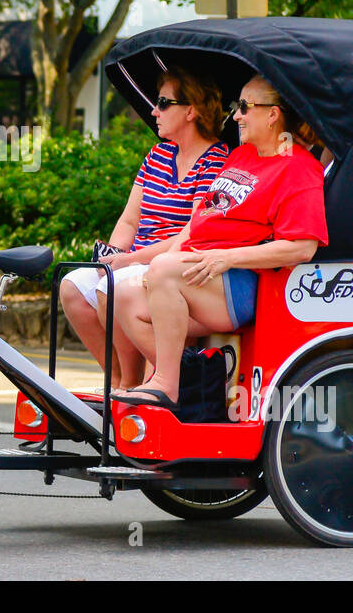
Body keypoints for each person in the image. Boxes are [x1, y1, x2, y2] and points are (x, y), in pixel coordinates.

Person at [111, 74, 329, 408]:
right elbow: (200, 220)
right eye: (235, 106)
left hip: (238, 282)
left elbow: (302, 247)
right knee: (124, 296)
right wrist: (164, 258)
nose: (236, 115)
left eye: (244, 107)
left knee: (163, 273)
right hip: (202, 270)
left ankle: (167, 384)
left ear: (272, 115)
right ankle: (198, 382)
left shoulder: (299, 169)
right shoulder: (242, 155)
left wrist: (227, 258)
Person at [60, 67, 228, 390]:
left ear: (191, 110)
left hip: (172, 266)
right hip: (136, 261)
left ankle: (131, 381)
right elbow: (129, 220)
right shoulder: (158, 154)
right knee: (72, 286)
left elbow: (191, 234)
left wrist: (129, 261)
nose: (154, 111)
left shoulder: (216, 160)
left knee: (111, 287)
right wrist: (111, 257)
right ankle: (116, 377)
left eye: (164, 103)